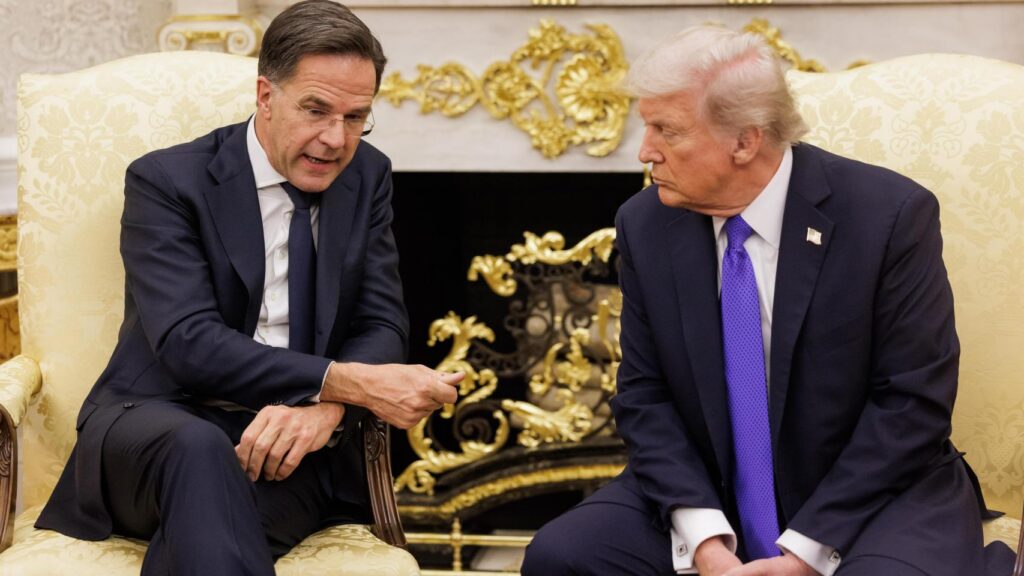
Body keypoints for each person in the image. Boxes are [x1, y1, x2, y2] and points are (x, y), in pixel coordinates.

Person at [522, 25, 1015, 576]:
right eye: (647, 126)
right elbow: (644, 396)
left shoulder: (888, 216)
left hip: (874, 494)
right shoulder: (645, 223)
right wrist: (704, 541)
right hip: (708, 489)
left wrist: (805, 551)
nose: (645, 151)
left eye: (667, 130)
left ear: (744, 141)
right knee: (562, 558)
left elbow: (911, 405)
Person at [33, 1, 462, 574]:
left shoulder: (368, 175)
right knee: (200, 451)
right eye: (316, 110)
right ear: (265, 96)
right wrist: (343, 384)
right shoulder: (167, 181)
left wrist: (326, 411)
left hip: (290, 448)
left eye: (356, 117)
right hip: (155, 425)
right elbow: (188, 343)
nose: (335, 139)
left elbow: (381, 323)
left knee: (207, 533)